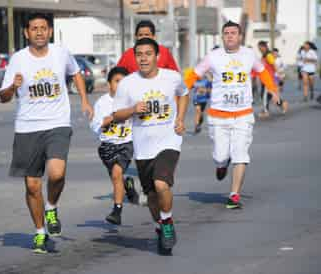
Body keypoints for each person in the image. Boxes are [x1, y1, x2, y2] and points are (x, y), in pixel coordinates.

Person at [0, 13, 94, 254]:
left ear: (49, 31)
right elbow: (3, 97)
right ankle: (40, 232)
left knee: (56, 173)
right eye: (34, 28)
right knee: (32, 186)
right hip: (27, 127)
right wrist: (13, 86)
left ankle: (51, 207)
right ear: (26, 33)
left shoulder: (61, 53)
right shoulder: (18, 60)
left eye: (43, 28)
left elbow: (76, 73)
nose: (39, 32)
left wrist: (84, 100)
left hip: (57, 122)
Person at [185, 21, 281, 209]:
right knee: (220, 156)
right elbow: (194, 74)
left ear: (240, 36)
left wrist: (273, 89)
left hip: (243, 114)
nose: (229, 36)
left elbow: (263, 72)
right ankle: (222, 163)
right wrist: (180, 91)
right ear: (223, 36)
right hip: (218, 116)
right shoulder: (213, 57)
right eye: (226, 33)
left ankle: (234, 194)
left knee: (241, 154)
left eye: (233, 33)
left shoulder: (249, 55)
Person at [113, 38, 189, 255]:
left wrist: (181, 118)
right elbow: (117, 115)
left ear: (157, 56)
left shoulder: (171, 77)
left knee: (161, 184)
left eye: (148, 53)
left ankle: (167, 223)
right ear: (135, 57)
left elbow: (184, 94)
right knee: (152, 197)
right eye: (139, 54)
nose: (144, 58)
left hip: (169, 141)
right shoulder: (127, 83)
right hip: (143, 147)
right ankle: (160, 225)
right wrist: (133, 109)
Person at [90, 66, 138, 225]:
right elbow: (95, 125)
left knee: (116, 174)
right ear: (109, 84)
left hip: (126, 144)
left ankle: (117, 211)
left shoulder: (132, 101)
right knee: (116, 176)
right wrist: (113, 117)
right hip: (107, 146)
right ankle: (128, 185)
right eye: (117, 81)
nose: (121, 85)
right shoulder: (102, 103)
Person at [257, 40, 288, 118]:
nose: (259, 49)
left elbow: (274, 65)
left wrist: (279, 75)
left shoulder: (268, 55)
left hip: (269, 79)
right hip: (265, 78)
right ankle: (282, 103)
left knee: (264, 95)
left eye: (260, 47)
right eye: (258, 47)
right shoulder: (264, 55)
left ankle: (266, 112)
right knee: (268, 96)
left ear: (263, 47)